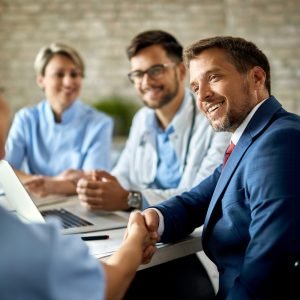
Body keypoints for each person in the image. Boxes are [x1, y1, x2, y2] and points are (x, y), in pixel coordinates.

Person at [141, 36, 300, 299]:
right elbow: (195, 202)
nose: (202, 95)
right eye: (195, 87)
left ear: (257, 78)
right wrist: (150, 220)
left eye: (213, 78)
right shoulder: (249, 140)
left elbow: (270, 267)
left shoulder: (279, 141)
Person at [77, 30, 230, 300]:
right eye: (137, 73)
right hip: (146, 240)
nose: (146, 81)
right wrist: (101, 188)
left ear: (181, 72)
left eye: (156, 70)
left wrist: (129, 198)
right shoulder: (142, 120)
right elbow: (122, 176)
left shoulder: (213, 117)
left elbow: (198, 197)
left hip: (190, 252)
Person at [0, 94, 157, 300]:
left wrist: (127, 198)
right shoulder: (19, 242)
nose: (4, 154)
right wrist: (136, 233)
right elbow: (108, 285)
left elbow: (110, 180)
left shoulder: (104, 121)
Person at [5, 43, 113, 198]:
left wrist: (45, 184)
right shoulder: (25, 119)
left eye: (75, 74)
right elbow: (6, 170)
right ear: (41, 80)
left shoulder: (100, 123)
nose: (68, 82)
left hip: (80, 206)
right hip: (34, 202)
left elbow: (94, 182)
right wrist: (56, 181)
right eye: (59, 74)